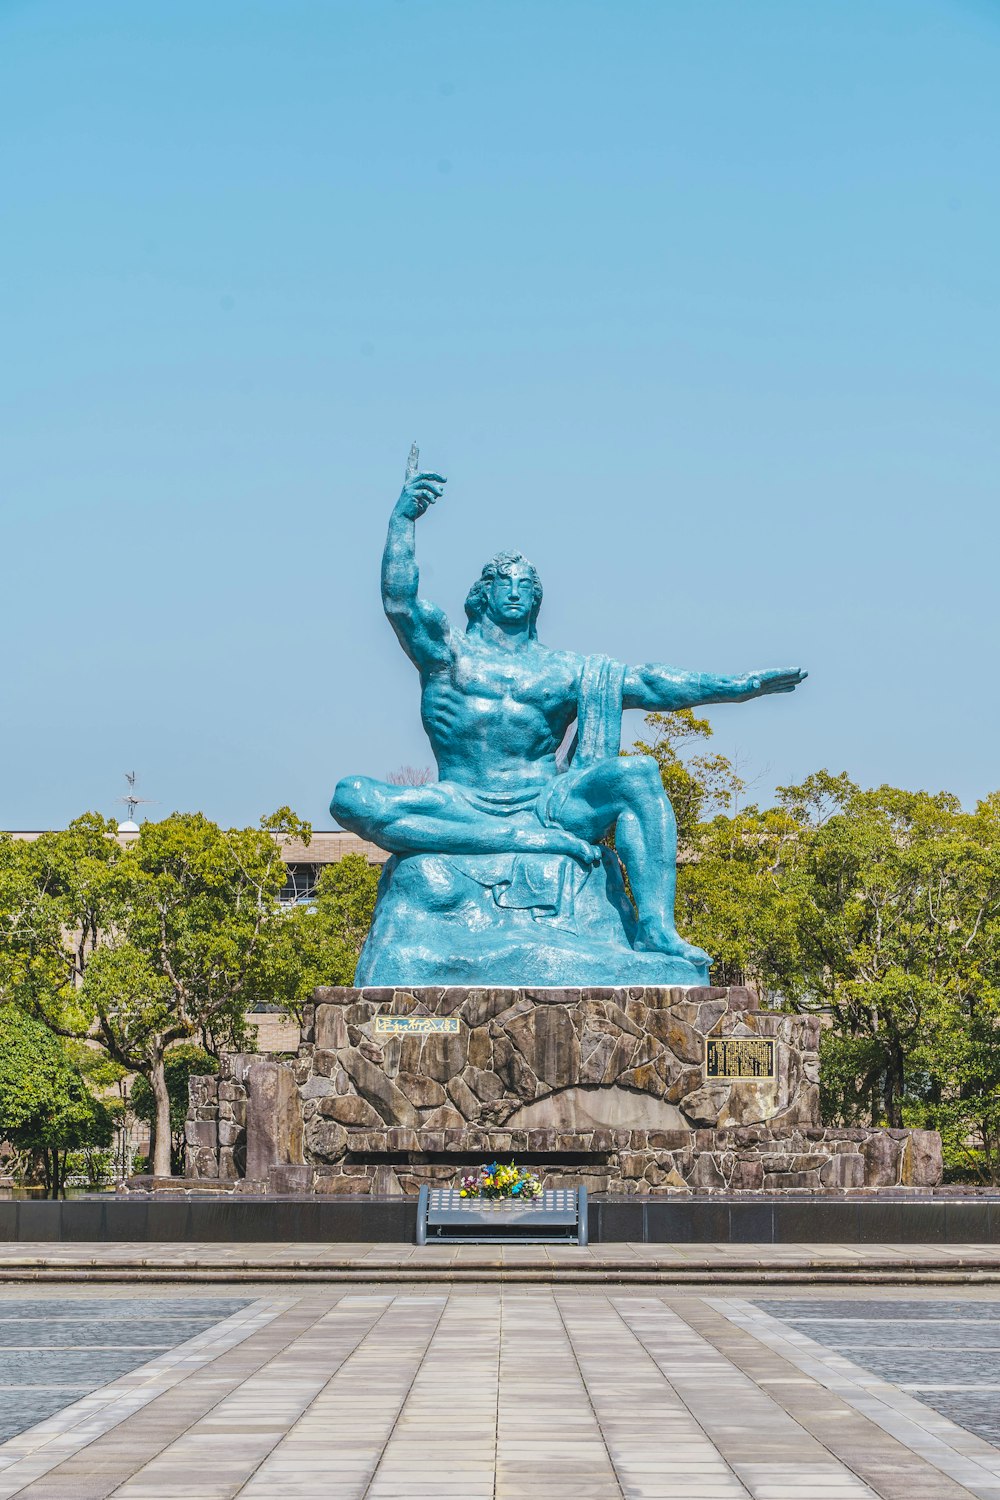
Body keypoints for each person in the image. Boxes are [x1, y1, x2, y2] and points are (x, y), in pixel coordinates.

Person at [333, 453, 805, 965]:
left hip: (546, 803)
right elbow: (400, 602)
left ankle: (656, 929)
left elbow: (651, 682)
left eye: (527, 585)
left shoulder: (564, 670)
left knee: (638, 774)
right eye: (504, 582)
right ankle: (517, 840)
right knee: (352, 797)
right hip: (462, 801)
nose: (516, 592)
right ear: (482, 593)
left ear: (538, 598)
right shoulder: (449, 653)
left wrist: (738, 686)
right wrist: (402, 521)